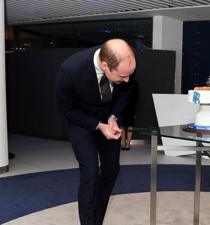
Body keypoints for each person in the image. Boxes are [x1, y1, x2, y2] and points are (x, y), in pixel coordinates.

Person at [56, 39, 136, 225]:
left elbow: (126, 91)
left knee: (111, 169)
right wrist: (98, 125)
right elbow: (65, 109)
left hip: (110, 118)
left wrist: (114, 116)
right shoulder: (70, 70)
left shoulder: (126, 64)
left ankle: (96, 220)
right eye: (122, 76)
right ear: (104, 65)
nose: (127, 79)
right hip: (80, 121)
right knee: (90, 171)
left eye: (130, 74)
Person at [121, 77, 138, 150]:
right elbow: (137, 95)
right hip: (125, 106)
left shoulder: (133, 82)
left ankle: (126, 144)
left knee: (126, 125)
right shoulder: (134, 82)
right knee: (125, 125)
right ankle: (126, 144)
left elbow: (137, 95)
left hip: (126, 105)